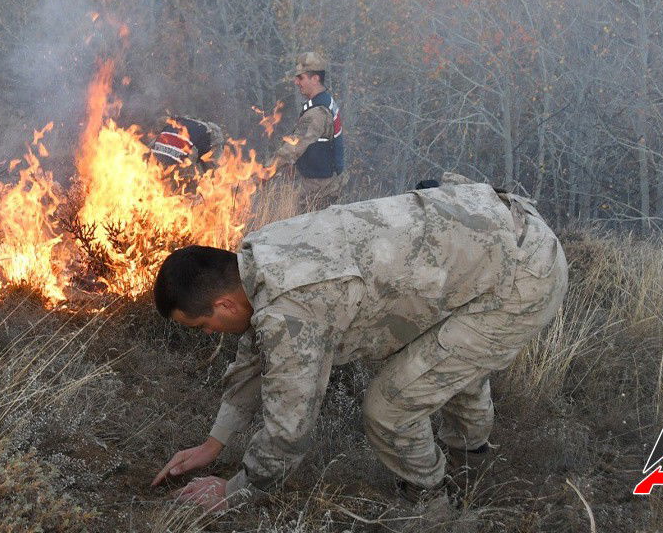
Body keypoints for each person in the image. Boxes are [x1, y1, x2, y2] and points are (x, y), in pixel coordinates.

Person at [148, 173, 567, 510]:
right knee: (442, 367)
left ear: (223, 304)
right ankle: (469, 463)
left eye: (201, 326)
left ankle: (433, 503)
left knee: (391, 408)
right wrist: (214, 442)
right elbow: (255, 356)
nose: (207, 336)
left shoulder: (290, 308)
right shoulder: (259, 254)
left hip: (522, 279)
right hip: (491, 236)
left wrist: (235, 491)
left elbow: (289, 430)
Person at [269, 50, 346, 210]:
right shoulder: (324, 101)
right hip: (323, 184)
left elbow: (294, 146)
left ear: (315, 78)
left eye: (301, 77)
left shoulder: (317, 112)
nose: (296, 82)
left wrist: (266, 171)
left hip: (317, 190)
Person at [149, 115, 225, 174]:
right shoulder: (208, 134)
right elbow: (208, 167)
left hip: (153, 163)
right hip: (177, 168)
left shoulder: (176, 122)